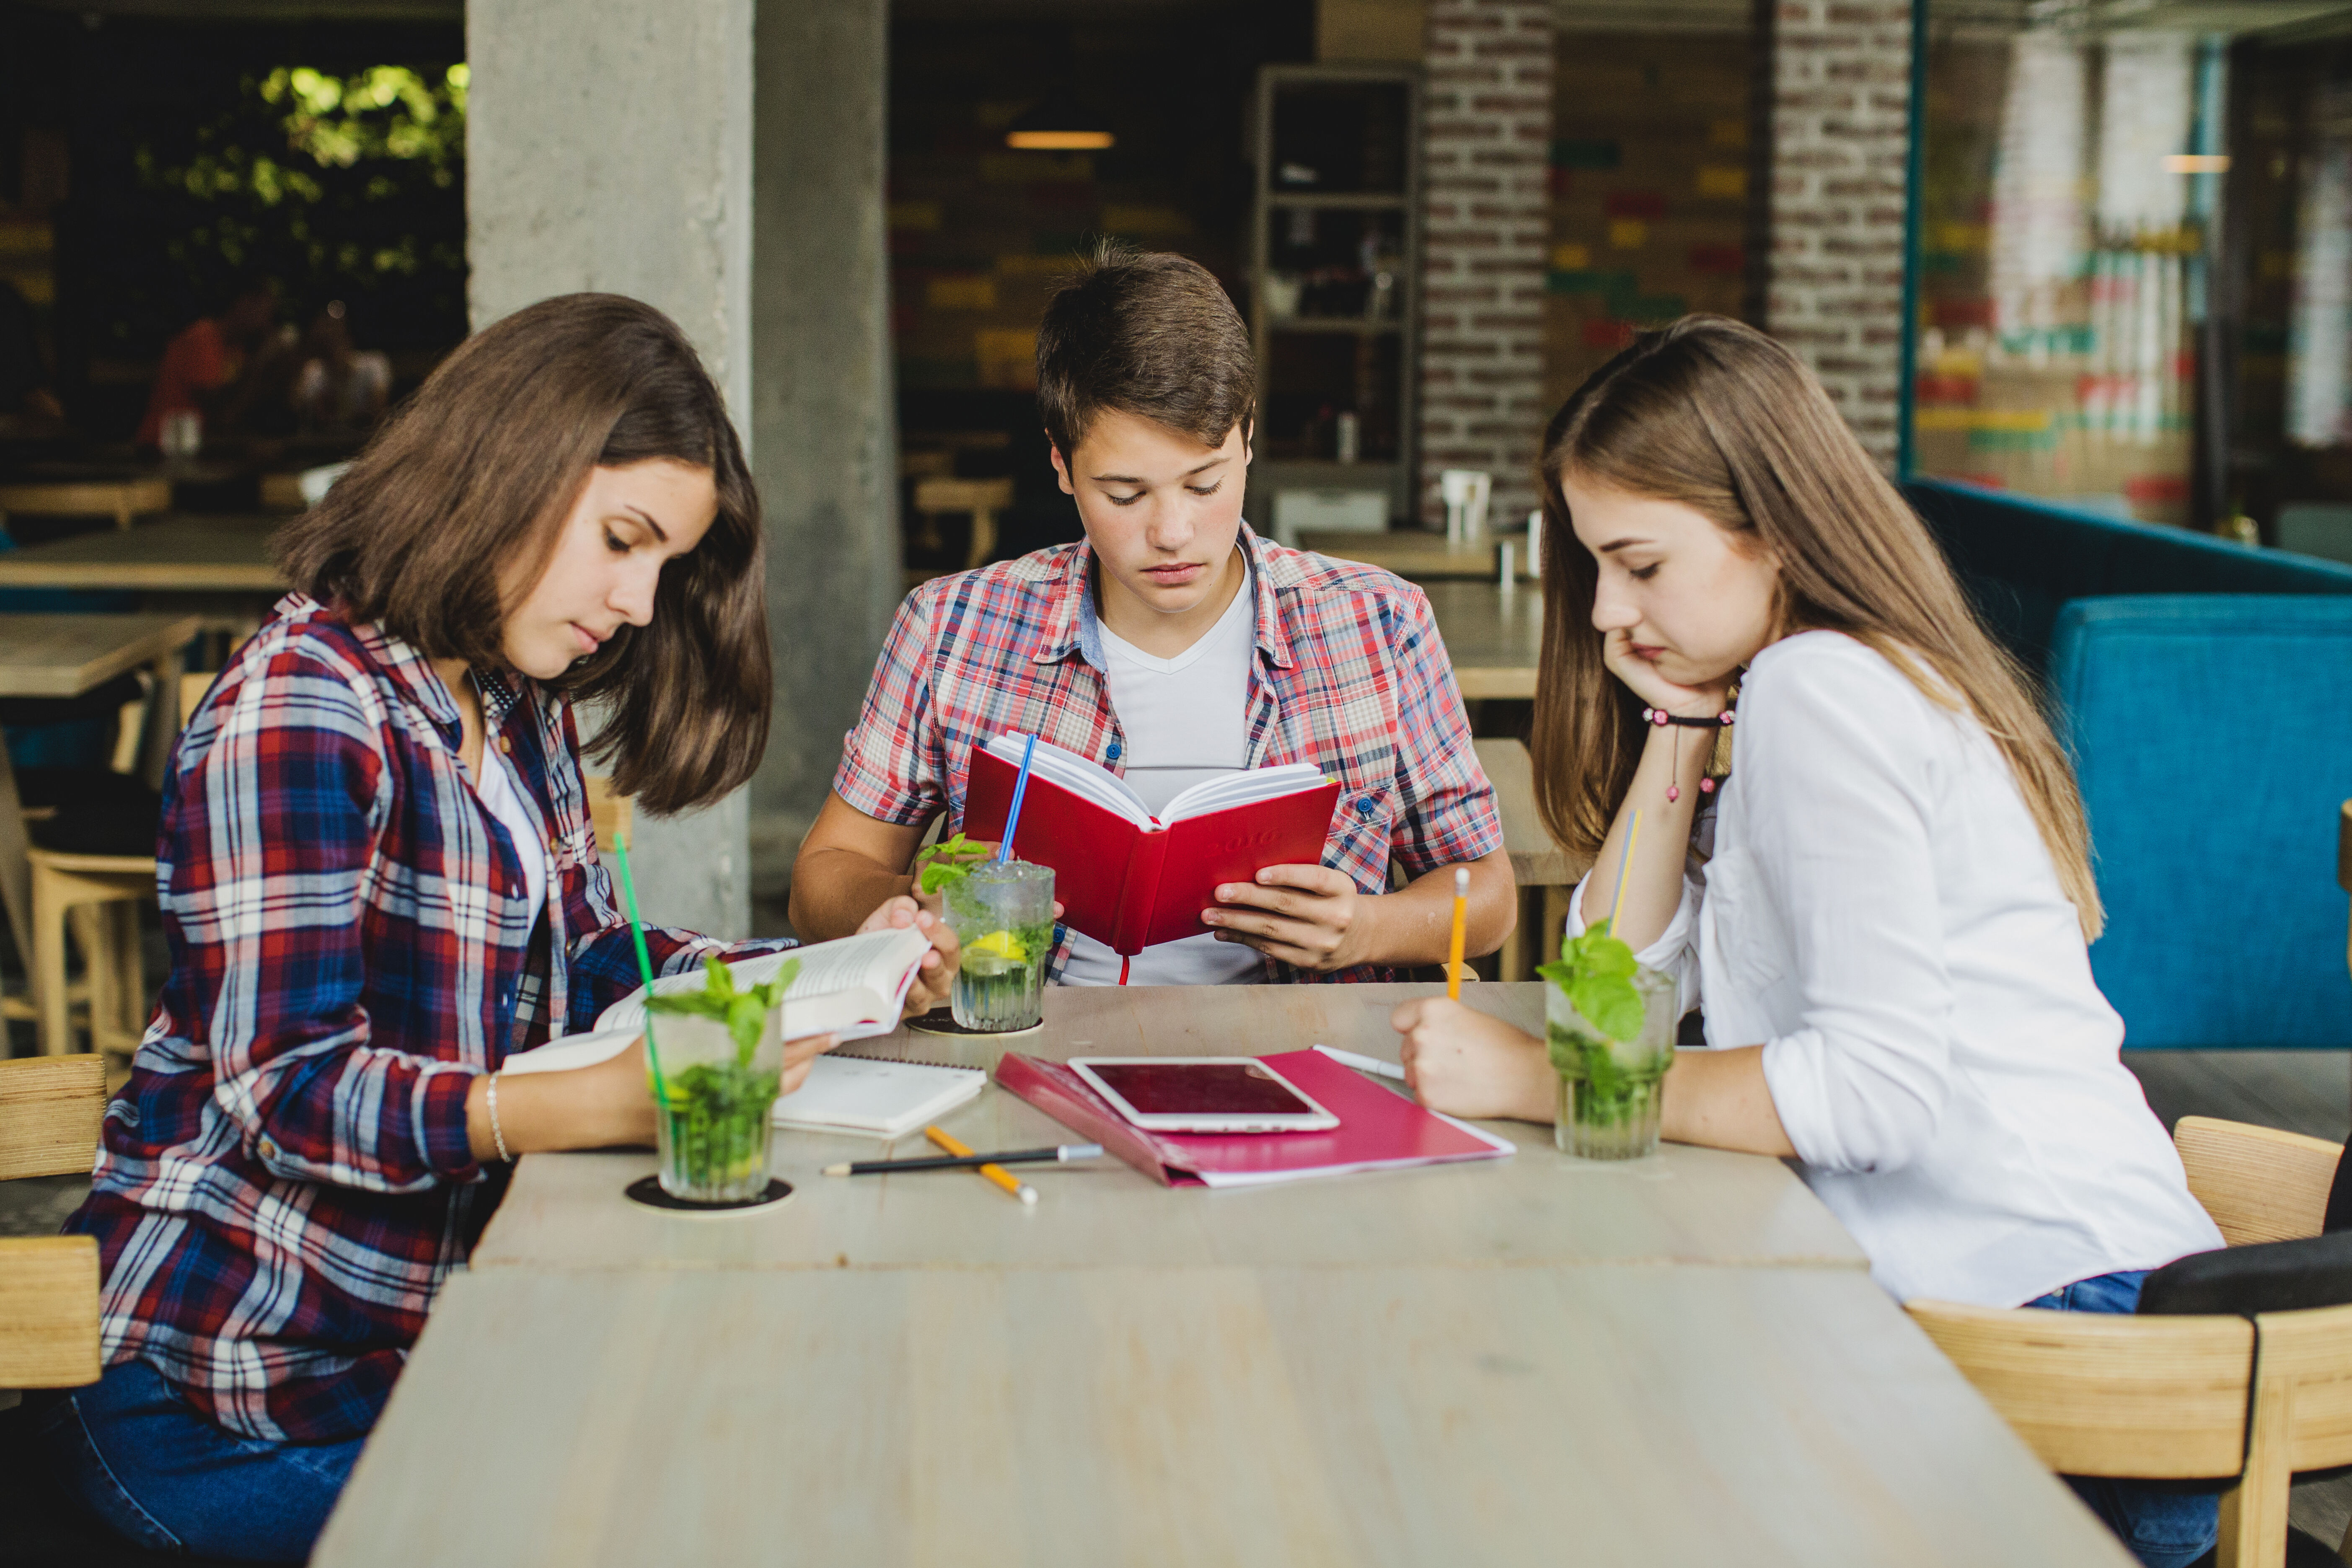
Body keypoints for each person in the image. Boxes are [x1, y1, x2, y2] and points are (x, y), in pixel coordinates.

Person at [39, 293, 959, 1563]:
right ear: (511, 463)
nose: (638, 602)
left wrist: (842, 973)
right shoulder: (303, 709)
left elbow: (589, 958)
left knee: (749, 1436)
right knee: (676, 1513)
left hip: (396, 1350)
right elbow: (289, 1091)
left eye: (664, 565)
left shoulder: (510, 695)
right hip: (221, 1399)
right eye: (623, 540)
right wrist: (576, 1105)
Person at [1390, 316, 2225, 1568]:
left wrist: (1537, 1083)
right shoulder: (1815, 682)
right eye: (1594, 566)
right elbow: (1605, 985)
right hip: (2097, 1338)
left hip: (2065, 1354)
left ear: (1770, 531)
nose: (1607, 609)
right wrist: (1677, 727)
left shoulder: (1820, 691)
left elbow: (1872, 1091)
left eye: (1638, 564)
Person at [791, 242, 1514, 983]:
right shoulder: (951, 626)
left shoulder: (1379, 623)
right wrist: (907, 910)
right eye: (1125, 494)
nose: (1171, 533)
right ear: (1061, 464)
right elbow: (825, 872)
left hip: (1299, 1040)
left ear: (1248, 437)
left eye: (1204, 485)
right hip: (1032, 1036)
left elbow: (1489, 896)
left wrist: (1367, 928)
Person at [135, 274, 298, 449]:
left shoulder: (237, 350)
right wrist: (261, 363)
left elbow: (241, 404)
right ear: (244, 303)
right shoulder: (203, 337)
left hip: (201, 446)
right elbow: (217, 408)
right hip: (164, 446)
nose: (267, 323)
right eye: (265, 313)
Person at [289, 298, 392, 436]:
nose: (331, 338)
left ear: (348, 335)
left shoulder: (374, 364)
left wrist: (343, 370)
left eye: (337, 333)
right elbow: (295, 411)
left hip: (364, 443)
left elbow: (378, 414)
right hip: (322, 446)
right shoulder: (314, 371)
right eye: (326, 334)